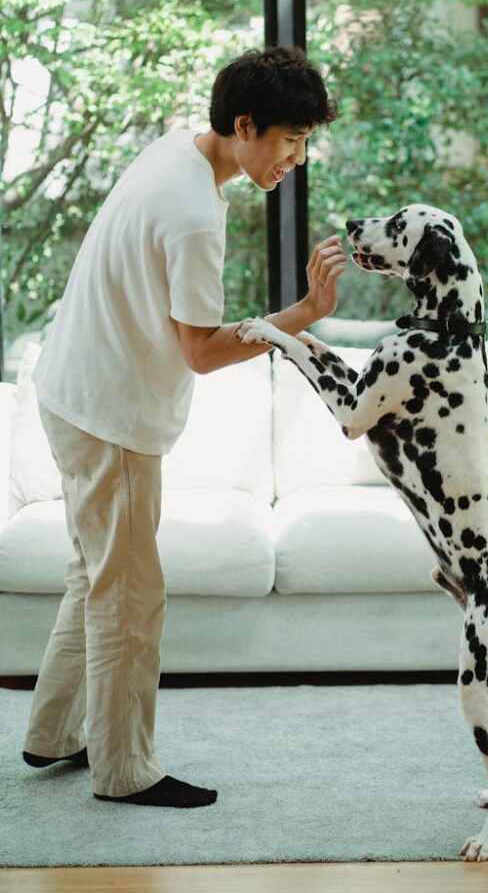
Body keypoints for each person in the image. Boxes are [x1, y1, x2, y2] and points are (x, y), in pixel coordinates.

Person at [22, 45, 344, 808]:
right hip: (110, 414)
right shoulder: (196, 216)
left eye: (305, 142)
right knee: (129, 595)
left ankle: (53, 733)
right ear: (243, 125)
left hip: (69, 389)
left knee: (97, 575)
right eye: (289, 140)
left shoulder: (175, 151)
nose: (295, 159)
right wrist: (302, 316)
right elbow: (200, 352)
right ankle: (123, 770)